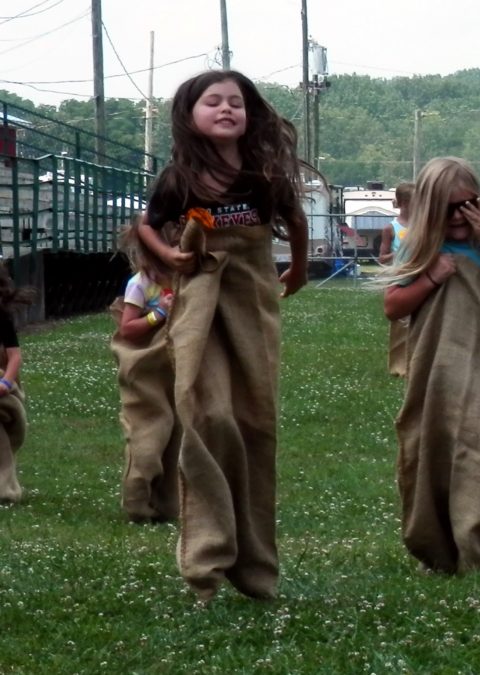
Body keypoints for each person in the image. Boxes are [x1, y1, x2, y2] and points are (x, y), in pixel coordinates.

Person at [137, 69, 311, 601]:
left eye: (236, 102)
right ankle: (206, 559)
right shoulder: (179, 177)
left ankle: (256, 566)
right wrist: (167, 254)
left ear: (249, 114)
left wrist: (299, 269)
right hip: (198, 303)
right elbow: (148, 224)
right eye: (213, 102)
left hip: (251, 298)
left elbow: (296, 220)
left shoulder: (263, 174)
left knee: (254, 421)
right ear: (190, 115)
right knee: (206, 414)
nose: (226, 109)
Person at [382, 156, 480, 574]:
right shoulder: (419, 248)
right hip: (438, 369)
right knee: (439, 454)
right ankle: (458, 549)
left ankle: (476, 536)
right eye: (449, 208)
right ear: (430, 208)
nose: (460, 216)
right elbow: (393, 307)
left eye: (469, 204)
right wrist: (432, 277)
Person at [110, 224, 181, 523]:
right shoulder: (140, 284)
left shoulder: (184, 279)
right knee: (149, 438)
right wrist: (159, 313)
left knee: (177, 437)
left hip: (175, 369)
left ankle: (168, 506)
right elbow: (127, 329)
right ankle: (138, 503)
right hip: (147, 368)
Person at [0, 266, 35, 504]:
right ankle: (6, 488)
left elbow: (15, 357)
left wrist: (5, 382)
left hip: (4, 384)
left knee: (13, 431)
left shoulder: (1, 317)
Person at [379, 182, 414, 377]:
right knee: (401, 323)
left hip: (419, 275)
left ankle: (418, 363)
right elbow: (382, 257)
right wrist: (401, 253)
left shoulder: (423, 227)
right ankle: (399, 366)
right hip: (399, 278)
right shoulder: (390, 228)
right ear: (401, 203)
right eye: (411, 202)